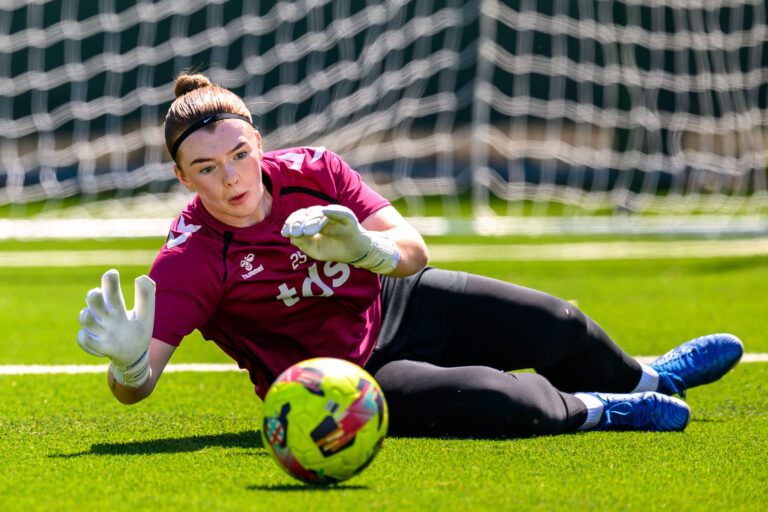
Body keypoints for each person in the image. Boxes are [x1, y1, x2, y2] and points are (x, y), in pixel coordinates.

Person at [77, 73, 744, 438]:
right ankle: (607, 410)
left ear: (258, 140)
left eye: (239, 154)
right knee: (501, 402)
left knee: (558, 323)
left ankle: (648, 380)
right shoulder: (191, 258)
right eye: (205, 168)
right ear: (183, 179)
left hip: (396, 300)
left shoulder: (315, 169)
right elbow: (134, 390)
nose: (230, 178)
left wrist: (367, 248)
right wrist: (131, 362)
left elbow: (414, 252)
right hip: (337, 375)